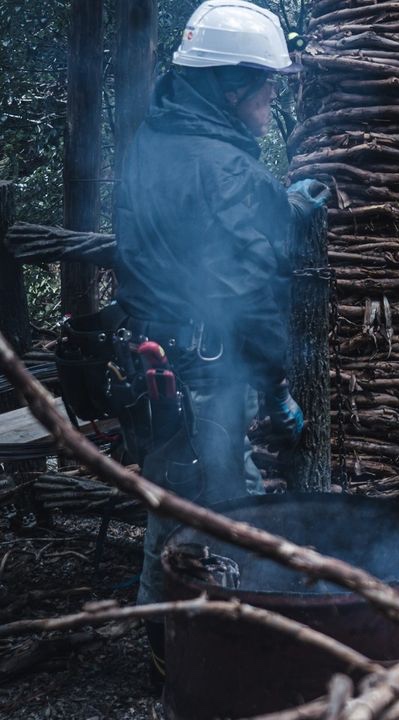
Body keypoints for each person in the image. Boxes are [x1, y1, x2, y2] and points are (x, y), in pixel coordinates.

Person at [112, 0, 328, 678]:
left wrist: (281, 208)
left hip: (154, 367)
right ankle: (186, 659)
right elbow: (249, 291)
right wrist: (276, 390)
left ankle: (184, 645)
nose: (272, 98)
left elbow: (199, 230)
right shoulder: (229, 169)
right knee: (208, 511)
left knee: (172, 499)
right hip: (201, 373)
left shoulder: (155, 139)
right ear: (231, 84)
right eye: (267, 84)